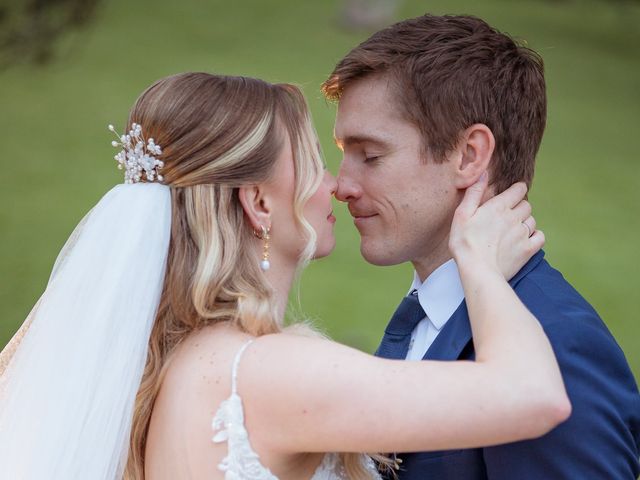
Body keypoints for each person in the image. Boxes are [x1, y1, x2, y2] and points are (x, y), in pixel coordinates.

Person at [0, 72, 570, 480]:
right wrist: (480, 264)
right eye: (315, 163)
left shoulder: (172, 359)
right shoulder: (265, 373)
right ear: (259, 204)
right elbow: (535, 396)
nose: (337, 187)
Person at [322, 13, 640, 479]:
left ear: (469, 156)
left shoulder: (557, 343)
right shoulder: (429, 311)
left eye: (371, 155)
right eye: (343, 155)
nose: (342, 185)